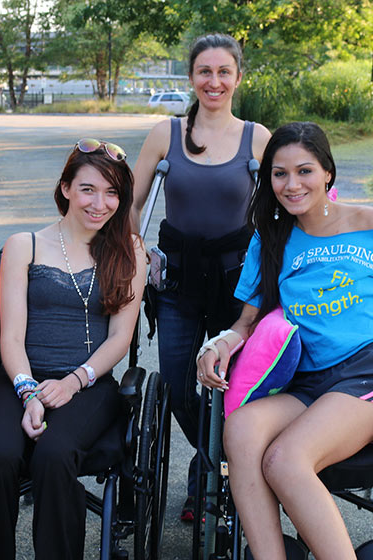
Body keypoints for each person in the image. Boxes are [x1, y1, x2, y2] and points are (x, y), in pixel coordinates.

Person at [197, 121, 373, 560]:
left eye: (304, 171)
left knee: (285, 461)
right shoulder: (270, 239)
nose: (292, 185)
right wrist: (219, 344)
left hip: (370, 369)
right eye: (280, 174)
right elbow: (247, 322)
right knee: (241, 430)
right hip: (306, 377)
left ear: (327, 172)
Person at [0, 139, 146, 560]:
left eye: (112, 192)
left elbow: (120, 337)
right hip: (18, 377)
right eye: (88, 189)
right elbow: (10, 338)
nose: (100, 203)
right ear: (65, 188)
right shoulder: (23, 245)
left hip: (88, 384)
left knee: (55, 453)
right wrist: (29, 392)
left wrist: (73, 381)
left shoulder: (130, 251)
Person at [131, 32, 270, 519]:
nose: (214, 81)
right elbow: (133, 206)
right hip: (179, 279)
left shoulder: (257, 138)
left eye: (223, 72)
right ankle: (215, 465)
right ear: (191, 77)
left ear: (237, 76)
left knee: (235, 386)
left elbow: (283, 210)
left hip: (237, 281)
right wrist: (136, 250)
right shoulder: (165, 134)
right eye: (204, 72)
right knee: (176, 384)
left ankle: (207, 479)